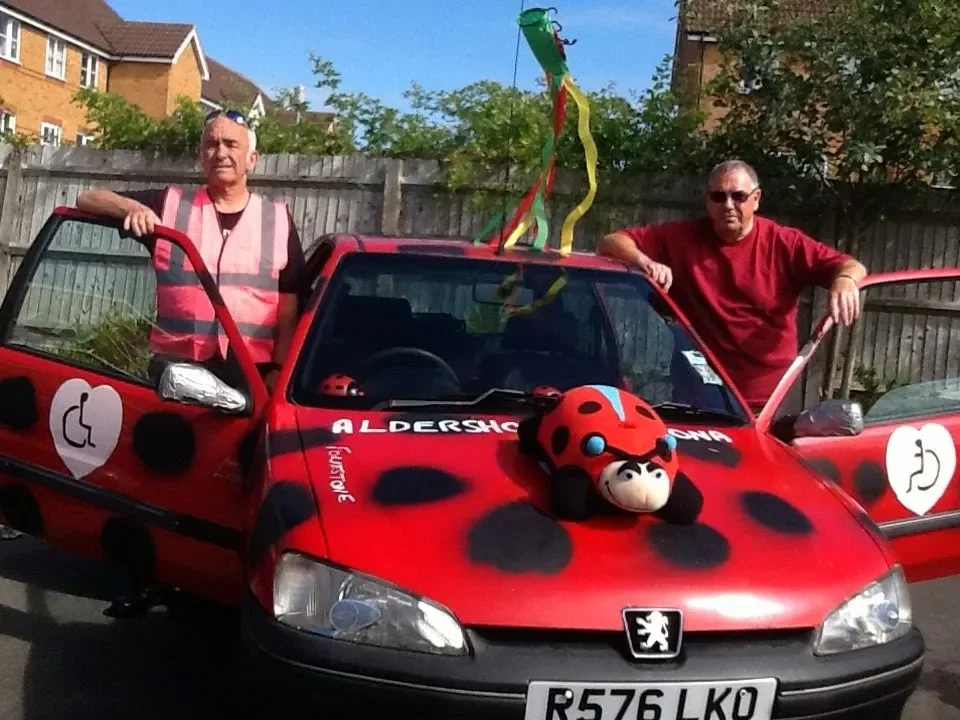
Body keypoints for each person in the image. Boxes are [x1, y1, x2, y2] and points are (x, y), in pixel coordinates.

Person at [596, 159, 866, 413]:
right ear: (707, 201)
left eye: (738, 196)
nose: (727, 204)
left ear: (756, 199)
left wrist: (844, 280)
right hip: (698, 400)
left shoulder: (783, 243)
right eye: (718, 196)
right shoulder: (680, 238)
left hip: (770, 405)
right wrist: (644, 261)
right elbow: (610, 242)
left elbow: (851, 266)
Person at [75, 109, 305, 393]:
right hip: (176, 371)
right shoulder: (169, 206)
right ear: (201, 157)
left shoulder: (277, 220)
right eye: (211, 144)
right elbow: (87, 198)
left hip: (251, 376)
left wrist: (278, 371)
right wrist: (130, 208)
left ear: (251, 160)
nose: (220, 153)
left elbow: (289, 312)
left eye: (231, 144)